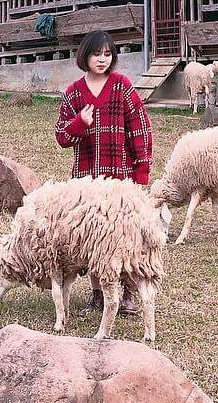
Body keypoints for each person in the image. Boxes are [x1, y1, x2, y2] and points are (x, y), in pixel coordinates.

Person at [54, 28, 153, 315]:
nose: (102, 60)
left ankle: (130, 294)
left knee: (126, 237)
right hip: (86, 182)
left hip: (120, 181)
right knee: (91, 239)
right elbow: (62, 137)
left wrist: (141, 174)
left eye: (107, 54)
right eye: (97, 54)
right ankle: (98, 293)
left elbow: (140, 131)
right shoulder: (73, 94)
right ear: (85, 56)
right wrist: (79, 123)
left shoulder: (122, 87)